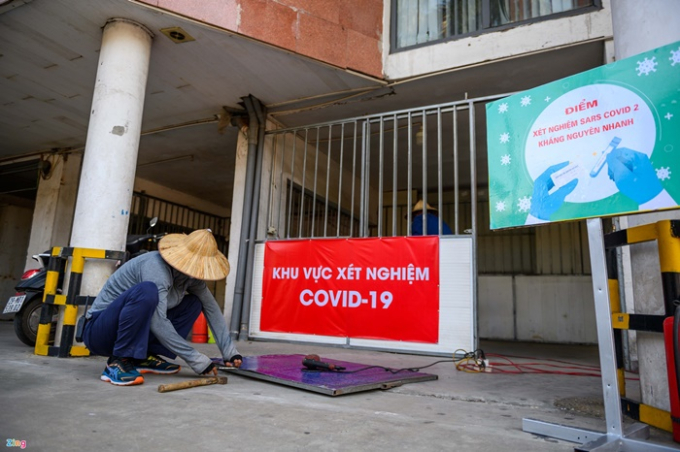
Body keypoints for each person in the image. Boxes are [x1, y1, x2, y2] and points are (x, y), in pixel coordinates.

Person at [83, 229, 242, 386]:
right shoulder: (155, 267)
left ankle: (143, 357)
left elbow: (211, 308)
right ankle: (118, 361)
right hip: (100, 332)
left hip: (130, 331)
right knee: (147, 291)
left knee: (194, 303)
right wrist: (195, 358)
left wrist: (230, 353)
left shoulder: (190, 278)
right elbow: (157, 320)